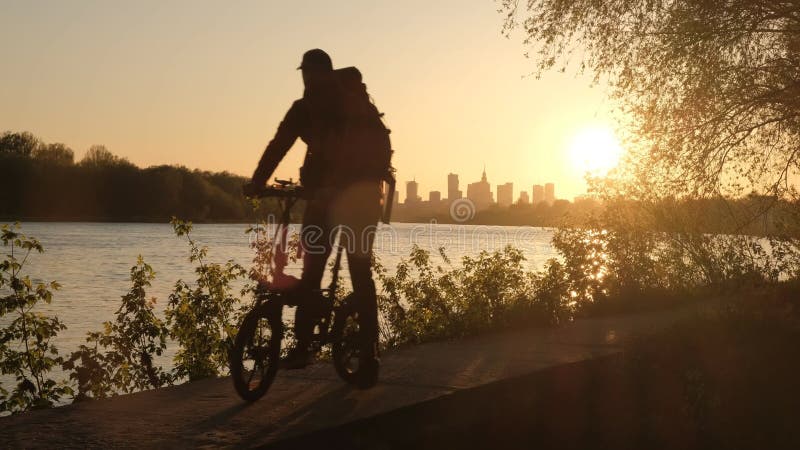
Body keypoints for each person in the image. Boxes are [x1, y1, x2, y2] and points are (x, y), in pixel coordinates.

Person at [244, 49, 382, 376]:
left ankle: (368, 349)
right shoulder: (302, 110)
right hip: (324, 200)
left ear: (325, 73)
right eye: (303, 72)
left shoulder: (349, 107)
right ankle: (304, 346)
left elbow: (360, 155)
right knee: (311, 268)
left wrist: (338, 188)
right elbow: (279, 144)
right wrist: (257, 182)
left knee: (358, 272)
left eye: (311, 72)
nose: (306, 78)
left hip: (359, 200)